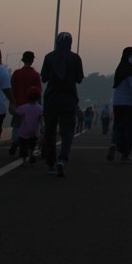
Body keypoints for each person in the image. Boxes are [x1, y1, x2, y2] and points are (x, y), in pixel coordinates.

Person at [40, 32, 85, 177]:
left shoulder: (49, 57)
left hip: (52, 98)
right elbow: (79, 79)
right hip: (68, 98)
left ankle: (50, 164)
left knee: (50, 131)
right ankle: (63, 158)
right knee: (67, 131)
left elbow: (44, 77)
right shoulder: (75, 58)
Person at [109, 47, 132, 163]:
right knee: (129, 129)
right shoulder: (130, 70)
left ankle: (114, 143)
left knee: (118, 126)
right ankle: (125, 154)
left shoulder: (119, 69)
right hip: (128, 104)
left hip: (117, 104)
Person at [9, 50, 41, 155]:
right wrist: (40, 106)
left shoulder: (16, 73)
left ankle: (15, 141)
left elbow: (12, 90)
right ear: (32, 61)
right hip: (32, 107)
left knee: (17, 126)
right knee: (30, 128)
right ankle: (28, 149)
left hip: (18, 105)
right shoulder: (35, 75)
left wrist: (11, 103)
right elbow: (38, 92)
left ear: (23, 60)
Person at [15, 86, 43, 166]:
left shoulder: (24, 107)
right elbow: (41, 119)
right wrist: (42, 127)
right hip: (34, 131)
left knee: (24, 147)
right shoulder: (40, 108)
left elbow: (17, 113)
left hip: (24, 131)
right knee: (32, 146)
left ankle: (24, 161)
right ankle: (32, 155)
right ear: (38, 97)